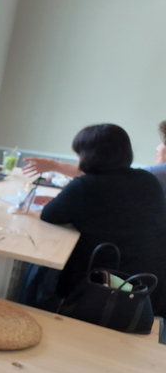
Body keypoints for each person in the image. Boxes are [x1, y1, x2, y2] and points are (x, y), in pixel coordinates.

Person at [37, 124, 166, 316]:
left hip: (103, 281)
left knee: (40, 273)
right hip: (151, 280)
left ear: (88, 155)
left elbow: (49, 215)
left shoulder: (84, 186)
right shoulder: (147, 179)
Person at [23, 120, 166, 195]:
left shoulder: (151, 176)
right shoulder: (148, 178)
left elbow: (106, 180)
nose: (158, 148)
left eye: (162, 143)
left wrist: (55, 165)